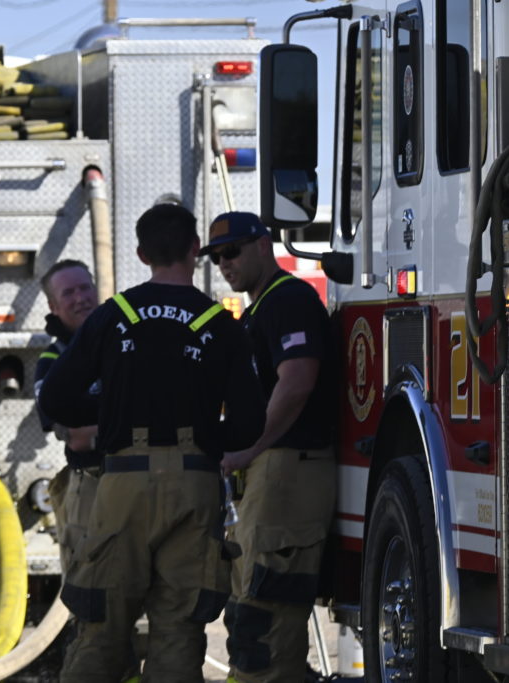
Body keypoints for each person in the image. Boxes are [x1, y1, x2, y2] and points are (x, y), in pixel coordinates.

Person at [38, 203, 266, 682]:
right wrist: (204, 439)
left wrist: (113, 416)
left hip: (122, 484)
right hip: (195, 484)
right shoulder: (221, 324)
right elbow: (249, 425)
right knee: (179, 630)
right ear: (195, 250)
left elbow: (56, 399)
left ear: (141, 255)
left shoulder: (112, 316)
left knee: (101, 627)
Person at [204, 211, 336, 683]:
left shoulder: (289, 300)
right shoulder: (259, 310)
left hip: (288, 470)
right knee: (249, 608)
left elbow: (297, 381)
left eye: (232, 252)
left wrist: (250, 449)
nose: (225, 264)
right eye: (217, 258)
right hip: (268, 472)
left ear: (264, 245)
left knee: (266, 608)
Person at [33, 259, 100, 572]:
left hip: (142, 482)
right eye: (69, 293)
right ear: (53, 306)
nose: (80, 298)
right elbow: (77, 438)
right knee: (89, 582)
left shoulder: (122, 342)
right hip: (91, 484)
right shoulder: (52, 362)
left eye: (85, 288)